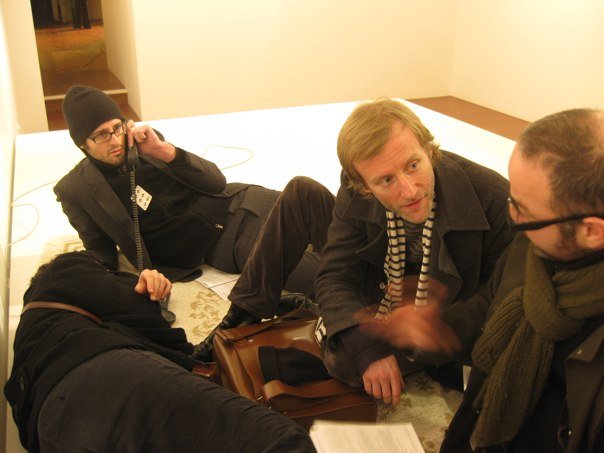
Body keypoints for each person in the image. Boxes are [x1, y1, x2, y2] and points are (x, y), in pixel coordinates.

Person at [198, 99, 513, 392]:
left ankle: (311, 310)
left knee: (345, 361)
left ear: (428, 150)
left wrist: (431, 323)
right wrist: (362, 340)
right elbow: (335, 273)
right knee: (300, 192)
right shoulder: (357, 185)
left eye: (413, 165)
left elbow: (505, 303)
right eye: (386, 180)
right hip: (377, 279)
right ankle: (239, 319)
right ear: (363, 186)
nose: (409, 190)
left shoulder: (492, 198)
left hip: (430, 314)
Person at [362, 108, 604, 451]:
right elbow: (489, 306)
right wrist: (437, 328)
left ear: (591, 231)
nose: (512, 217)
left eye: (524, 211)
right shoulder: (535, 243)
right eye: (512, 200)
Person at [4, 251, 316, 453]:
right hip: (101, 381)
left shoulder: (32, 332)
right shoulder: (66, 267)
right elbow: (135, 309)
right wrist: (142, 289)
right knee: (281, 442)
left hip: (48, 433)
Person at [54, 85, 318, 321]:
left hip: (243, 199)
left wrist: (162, 150)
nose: (115, 140)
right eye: (101, 135)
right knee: (317, 275)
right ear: (82, 145)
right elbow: (101, 256)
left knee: (327, 221)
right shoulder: (75, 190)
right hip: (226, 239)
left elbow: (216, 182)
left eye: (117, 127)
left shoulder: (145, 143)